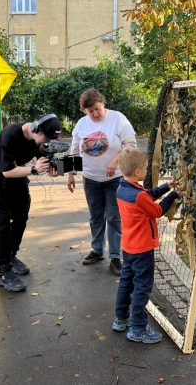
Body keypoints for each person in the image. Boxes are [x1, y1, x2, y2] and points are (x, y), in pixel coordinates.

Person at [0, 114, 62, 292]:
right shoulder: (11, 135)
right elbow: (7, 171)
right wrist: (34, 169)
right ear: (37, 129)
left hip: (17, 178)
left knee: (21, 216)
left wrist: (51, 168)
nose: (46, 143)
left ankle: (11, 255)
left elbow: (42, 158)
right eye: (46, 138)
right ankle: (3, 271)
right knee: (2, 221)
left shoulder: (36, 139)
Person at [112, 148, 180, 343]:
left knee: (126, 282)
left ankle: (121, 318)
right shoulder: (138, 196)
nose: (146, 170)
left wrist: (166, 186)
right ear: (137, 173)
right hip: (142, 249)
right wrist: (173, 195)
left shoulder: (123, 188)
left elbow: (147, 195)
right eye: (145, 168)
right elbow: (157, 210)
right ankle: (139, 328)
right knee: (142, 287)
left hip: (129, 247)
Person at [67, 88, 137, 275]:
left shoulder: (117, 119)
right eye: (90, 111)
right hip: (90, 178)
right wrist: (71, 173)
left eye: (97, 109)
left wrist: (115, 161)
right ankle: (97, 250)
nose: (95, 114)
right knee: (95, 216)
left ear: (103, 104)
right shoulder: (82, 124)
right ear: (85, 111)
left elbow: (131, 145)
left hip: (114, 179)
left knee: (114, 218)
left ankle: (115, 257)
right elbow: (74, 149)